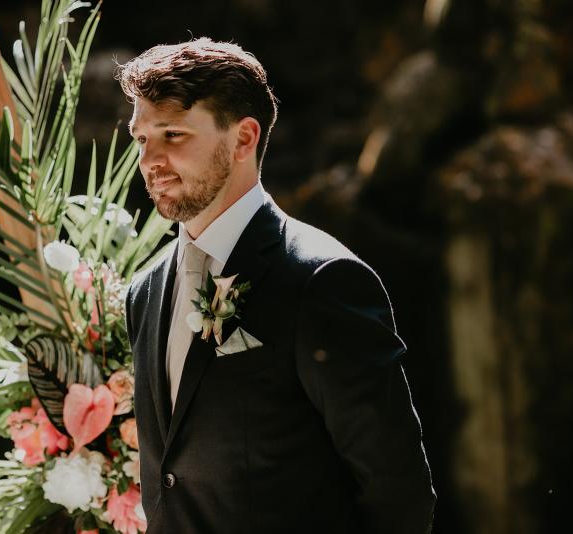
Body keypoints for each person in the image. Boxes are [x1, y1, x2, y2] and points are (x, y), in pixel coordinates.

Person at [120, 38, 436, 533]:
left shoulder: (322, 281)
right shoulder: (144, 292)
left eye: (174, 135)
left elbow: (398, 489)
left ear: (244, 139)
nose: (150, 160)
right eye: (142, 139)